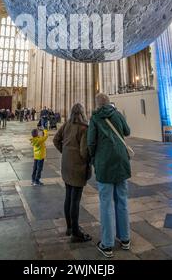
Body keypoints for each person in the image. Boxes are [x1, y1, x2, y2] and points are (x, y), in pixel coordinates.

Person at [87, 93, 131, 258]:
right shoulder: (117, 114)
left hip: (104, 163)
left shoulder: (95, 118)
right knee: (122, 200)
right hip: (121, 161)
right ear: (109, 103)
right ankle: (125, 238)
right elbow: (127, 131)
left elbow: (91, 142)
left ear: (98, 105)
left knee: (106, 203)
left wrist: (93, 158)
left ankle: (107, 244)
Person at [53, 103, 92, 243]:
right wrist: (89, 160)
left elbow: (55, 140)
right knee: (75, 200)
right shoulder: (84, 128)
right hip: (78, 168)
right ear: (82, 113)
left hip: (66, 166)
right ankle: (76, 232)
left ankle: (69, 227)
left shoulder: (66, 125)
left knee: (68, 197)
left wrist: (65, 152)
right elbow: (84, 151)